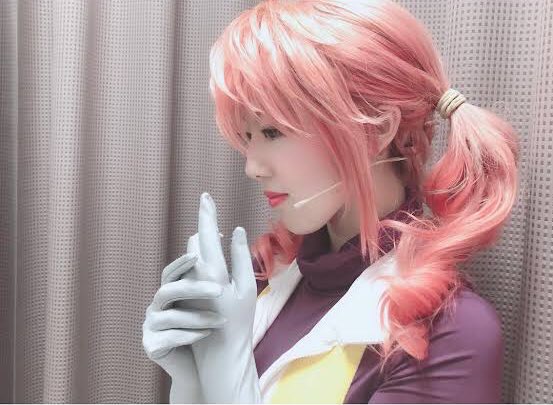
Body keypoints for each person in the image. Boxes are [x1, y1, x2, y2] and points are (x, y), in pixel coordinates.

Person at [143, 0, 519, 402]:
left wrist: (226, 377)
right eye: (247, 136)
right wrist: (192, 382)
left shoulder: (448, 333)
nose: (252, 167)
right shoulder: (261, 278)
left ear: (377, 130)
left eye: (271, 132)